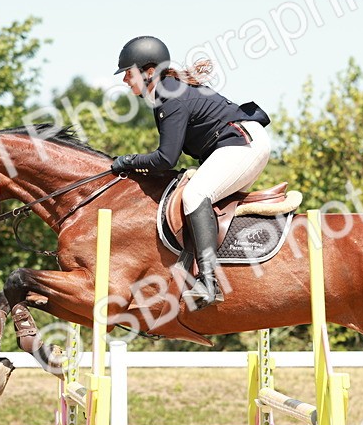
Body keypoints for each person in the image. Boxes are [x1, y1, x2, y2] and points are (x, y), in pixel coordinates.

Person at [110, 35, 271, 309]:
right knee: (194, 192)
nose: (125, 79)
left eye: (128, 73)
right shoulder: (167, 92)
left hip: (244, 144)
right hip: (237, 143)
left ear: (150, 71)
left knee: (195, 194)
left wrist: (127, 161)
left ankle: (208, 282)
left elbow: (165, 158)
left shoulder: (169, 97)